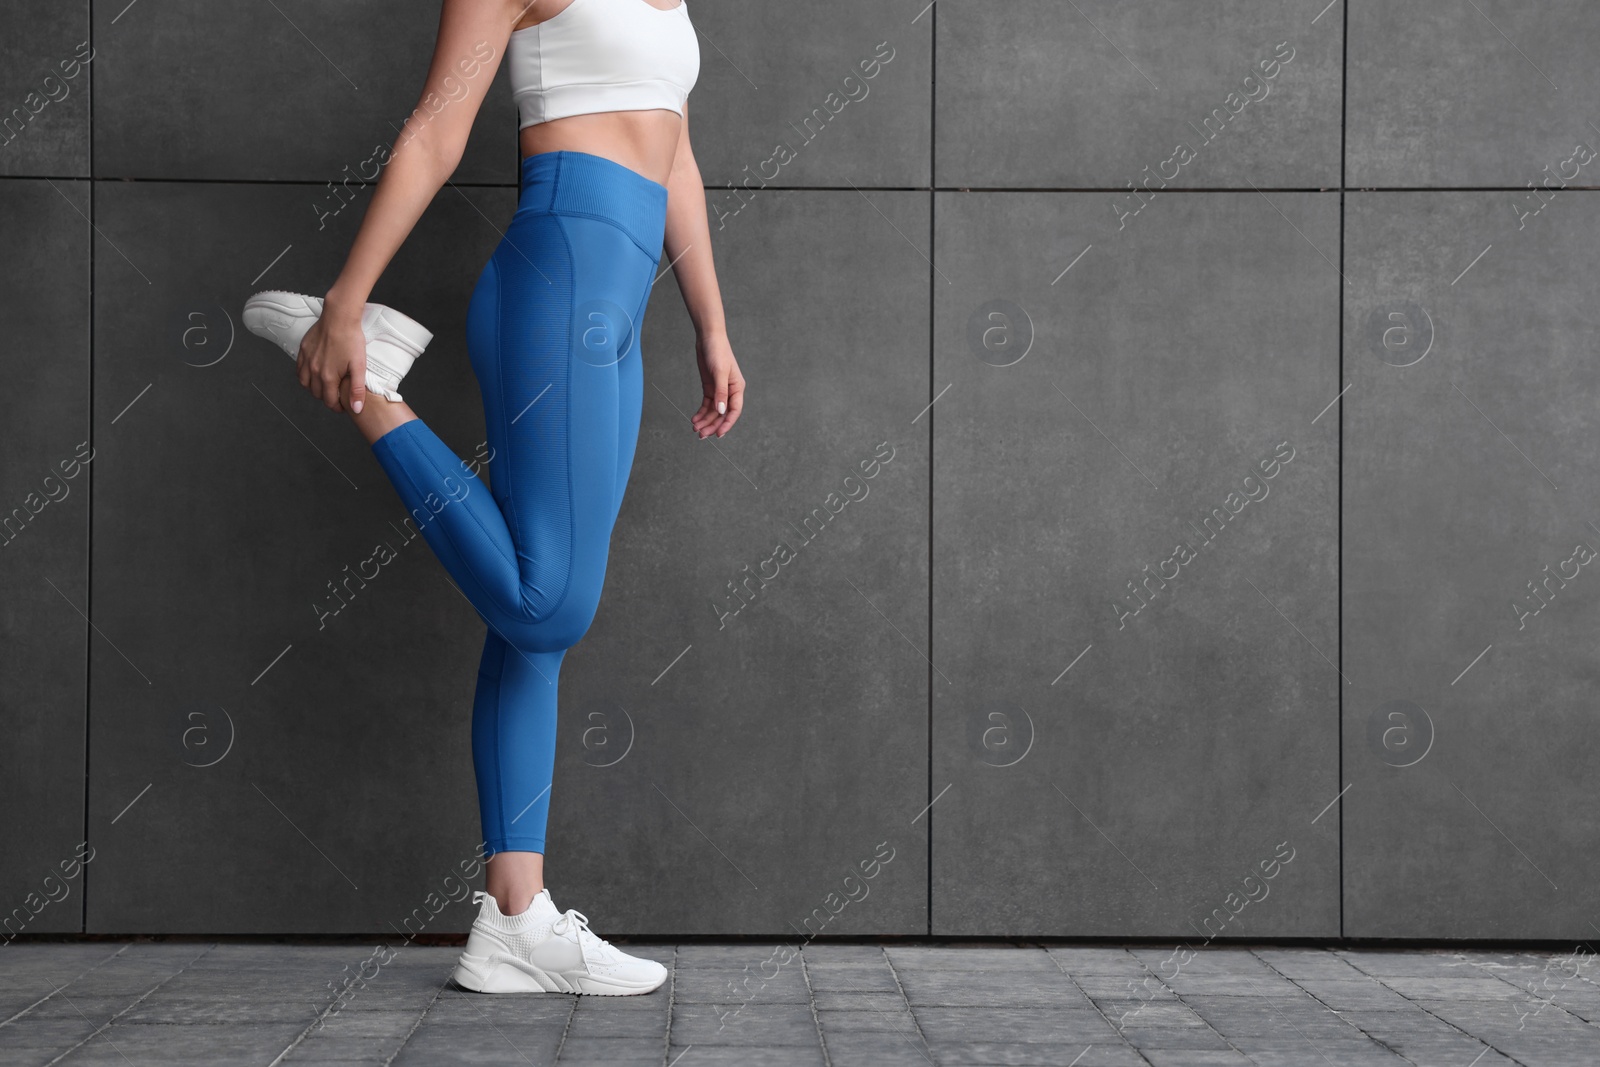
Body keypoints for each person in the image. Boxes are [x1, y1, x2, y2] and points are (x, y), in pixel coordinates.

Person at [243, 0, 744, 995]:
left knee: (534, 632)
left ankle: (514, 916)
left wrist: (710, 324)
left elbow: (674, 151)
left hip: (618, 296)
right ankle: (372, 386)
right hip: (555, 280)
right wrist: (347, 299)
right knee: (546, 600)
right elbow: (439, 125)